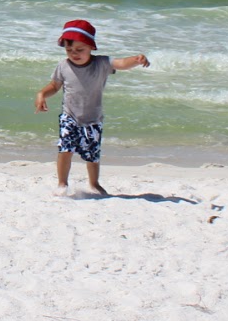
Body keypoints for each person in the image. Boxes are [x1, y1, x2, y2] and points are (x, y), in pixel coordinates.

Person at [33, 19, 149, 196]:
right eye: (69, 50)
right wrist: (41, 94)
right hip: (69, 116)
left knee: (92, 155)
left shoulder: (101, 64)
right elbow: (54, 86)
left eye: (80, 50)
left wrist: (136, 60)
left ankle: (94, 184)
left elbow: (122, 63)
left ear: (91, 47)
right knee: (65, 149)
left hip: (93, 119)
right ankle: (62, 183)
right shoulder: (63, 66)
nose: (74, 54)